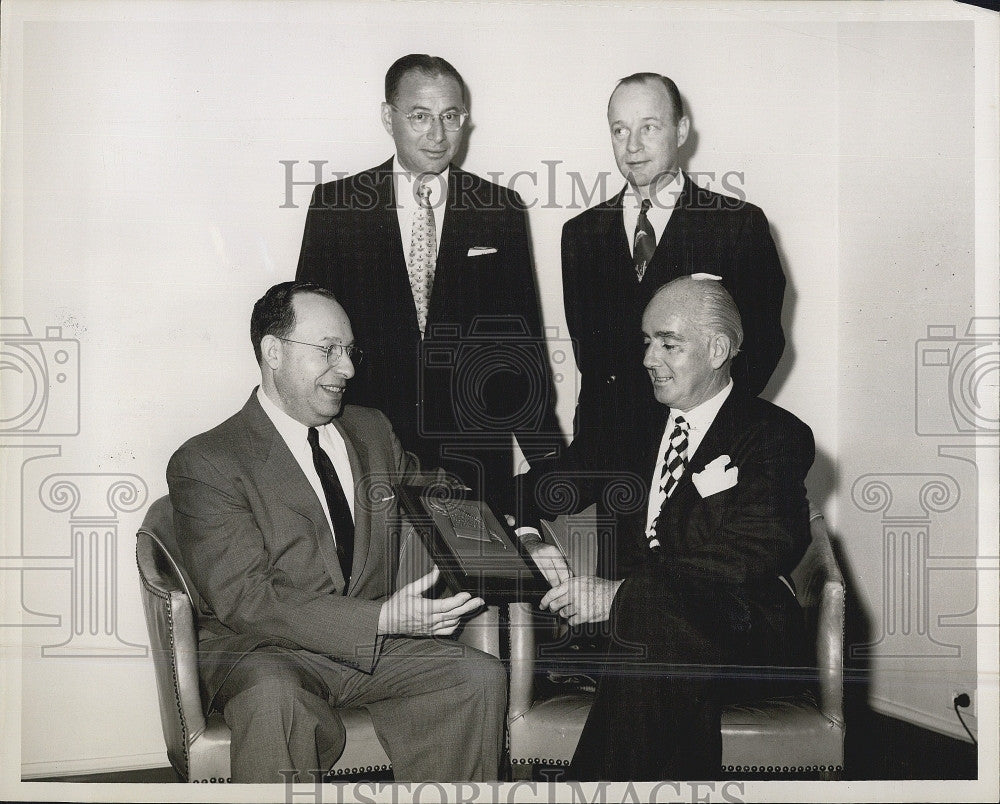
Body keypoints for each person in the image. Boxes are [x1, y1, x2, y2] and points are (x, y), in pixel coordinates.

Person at [166, 282, 506, 783]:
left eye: (349, 351)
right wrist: (381, 618)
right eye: (328, 351)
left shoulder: (370, 431)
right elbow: (247, 600)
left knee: (476, 676)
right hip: (267, 649)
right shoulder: (208, 461)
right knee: (274, 697)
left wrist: (513, 544)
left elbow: (441, 496)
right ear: (273, 352)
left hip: (373, 647)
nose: (347, 369)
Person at [521, 277, 812, 780]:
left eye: (668, 344)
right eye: (647, 342)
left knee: (654, 620)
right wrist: (527, 537)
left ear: (718, 349)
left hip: (742, 635)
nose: (649, 359)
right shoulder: (630, 430)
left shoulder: (775, 435)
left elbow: (757, 549)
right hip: (644, 638)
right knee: (656, 635)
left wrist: (622, 596)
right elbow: (536, 489)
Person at [296, 54, 564, 511]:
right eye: (419, 116)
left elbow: (523, 347)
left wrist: (553, 469)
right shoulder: (337, 207)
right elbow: (308, 335)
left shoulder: (499, 209)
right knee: (381, 580)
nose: (437, 135)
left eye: (450, 116)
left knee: (476, 580)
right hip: (368, 445)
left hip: (475, 452)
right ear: (388, 116)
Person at [560, 72, 787, 464]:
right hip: (610, 456)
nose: (632, 146)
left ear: (681, 130)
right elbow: (591, 359)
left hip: (704, 450)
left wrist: (711, 431)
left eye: (649, 127)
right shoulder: (580, 234)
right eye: (620, 130)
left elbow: (762, 346)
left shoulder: (736, 224)